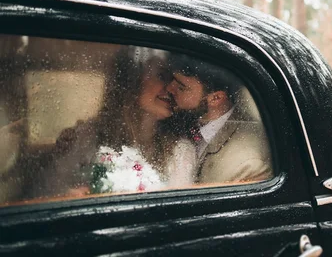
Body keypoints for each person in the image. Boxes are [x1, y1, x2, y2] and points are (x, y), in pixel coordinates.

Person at [28, 48, 175, 199]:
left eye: (177, 81)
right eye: (162, 76)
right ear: (131, 80)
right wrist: (68, 196)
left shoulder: (178, 148)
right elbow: (44, 192)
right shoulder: (86, 137)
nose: (172, 88)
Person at [161, 56, 272, 187]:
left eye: (181, 87)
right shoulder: (179, 119)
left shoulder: (246, 163)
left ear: (216, 98)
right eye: (172, 79)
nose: (169, 88)